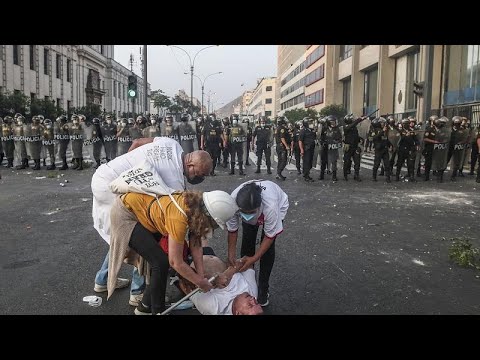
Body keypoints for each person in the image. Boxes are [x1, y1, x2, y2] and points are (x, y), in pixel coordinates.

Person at [91, 137, 213, 307]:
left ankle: (102, 279)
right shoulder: (174, 182)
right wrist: (197, 277)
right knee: (145, 238)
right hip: (113, 188)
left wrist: (130, 166)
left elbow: (138, 142)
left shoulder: (172, 144)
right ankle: (137, 292)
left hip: (103, 175)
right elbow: (171, 229)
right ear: (191, 166)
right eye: (199, 175)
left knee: (125, 234)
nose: (199, 179)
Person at [108, 190, 238, 315]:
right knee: (161, 262)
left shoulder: (196, 208)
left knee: (159, 262)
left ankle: (145, 307)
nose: (212, 227)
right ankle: (158, 311)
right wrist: (199, 282)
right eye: (213, 223)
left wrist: (201, 275)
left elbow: (196, 244)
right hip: (126, 214)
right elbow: (175, 262)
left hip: (144, 214)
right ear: (207, 215)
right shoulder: (178, 216)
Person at [226, 180, 289, 307]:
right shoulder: (232, 202)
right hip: (251, 209)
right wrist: (231, 255)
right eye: (244, 212)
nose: (247, 215)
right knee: (247, 242)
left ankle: (263, 289)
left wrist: (254, 258)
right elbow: (232, 230)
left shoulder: (270, 207)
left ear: (259, 207)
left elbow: (269, 237)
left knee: (267, 250)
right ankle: (246, 284)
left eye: (251, 212)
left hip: (278, 205)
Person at [176, 246, 263, 315]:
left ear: (238, 313)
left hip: (189, 267)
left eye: (250, 305)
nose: (253, 299)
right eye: (256, 302)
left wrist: (213, 281)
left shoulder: (213, 307)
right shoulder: (252, 293)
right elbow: (248, 265)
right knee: (202, 240)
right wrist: (229, 272)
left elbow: (187, 287)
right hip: (210, 255)